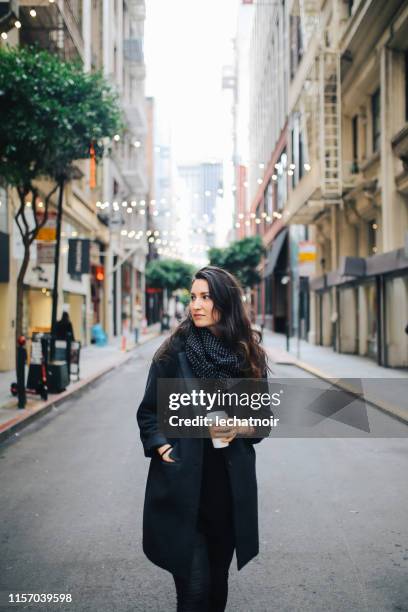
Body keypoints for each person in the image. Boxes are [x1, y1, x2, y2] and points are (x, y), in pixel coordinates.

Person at [137, 266, 271, 611]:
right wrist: (161, 444)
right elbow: (149, 412)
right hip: (184, 488)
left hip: (226, 493)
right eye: (193, 297)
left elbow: (262, 422)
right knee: (194, 590)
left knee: (216, 587)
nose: (196, 305)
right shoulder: (172, 354)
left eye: (205, 297)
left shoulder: (246, 356)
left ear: (224, 303)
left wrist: (237, 427)